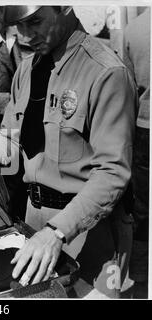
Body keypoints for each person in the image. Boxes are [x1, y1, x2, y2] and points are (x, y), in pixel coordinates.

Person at [0, 6, 137, 298]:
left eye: (35, 21)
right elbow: (17, 137)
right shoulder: (27, 70)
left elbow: (113, 172)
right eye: (18, 25)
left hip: (89, 233)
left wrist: (56, 233)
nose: (26, 35)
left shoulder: (105, 73)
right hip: (33, 223)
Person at [123, 7, 150, 299]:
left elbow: (128, 88)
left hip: (145, 127)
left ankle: (141, 277)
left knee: (143, 207)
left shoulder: (135, 29)